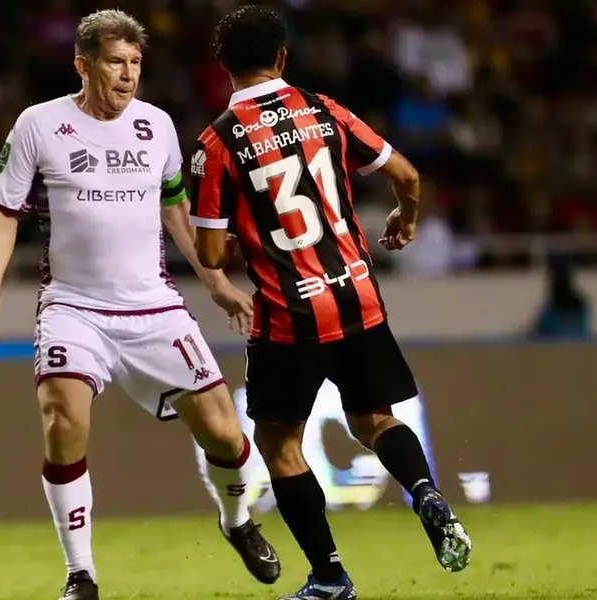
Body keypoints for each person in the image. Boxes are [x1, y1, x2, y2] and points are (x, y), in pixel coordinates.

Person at [0, 10, 280, 600]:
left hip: (153, 309)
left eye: (136, 63)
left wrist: (214, 282)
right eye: (116, 62)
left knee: (225, 436)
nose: (129, 74)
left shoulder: (157, 127)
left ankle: (237, 521)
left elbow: (174, 210)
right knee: (62, 421)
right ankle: (80, 575)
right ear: (83, 64)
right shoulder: (38, 125)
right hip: (73, 307)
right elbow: (2, 213)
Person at [188, 6, 473, 599]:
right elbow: (408, 175)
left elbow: (211, 254)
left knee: (279, 444)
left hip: (289, 314)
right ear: (282, 58)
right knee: (375, 419)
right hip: (358, 297)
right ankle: (426, 494)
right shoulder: (323, 110)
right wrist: (406, 219)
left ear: (223, 67)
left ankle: (330, 576)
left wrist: (245, 232)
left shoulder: (216, 143)